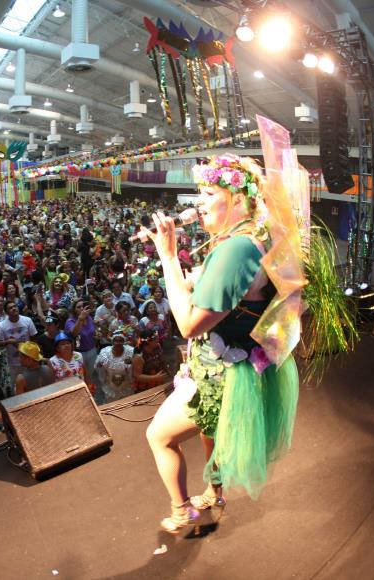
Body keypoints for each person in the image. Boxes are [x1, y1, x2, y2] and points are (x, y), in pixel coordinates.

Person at [142, 154, 306, 532]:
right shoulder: (254, 238)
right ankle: (215, 492)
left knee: (158, 436)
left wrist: (168, 257)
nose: (198, 201)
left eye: (209, 192)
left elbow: (187, 325)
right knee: (210, 431)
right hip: (236, 361)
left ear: (237, 198)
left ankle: (182, 510)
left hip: (221, 375)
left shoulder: (235, 250)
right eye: (198, 192)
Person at [96, 331, 135, 402]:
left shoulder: (130, 351)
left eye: (120, 341)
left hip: (126, 386)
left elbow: (137, 366)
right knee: (112, 404)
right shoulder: (105, 352)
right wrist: (99, 365)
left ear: (124, 341)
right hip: (110, 386)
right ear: (112, 342)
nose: (118, 343)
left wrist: (132, 362)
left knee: (127, 403)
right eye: (116, 341)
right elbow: (99, 366)